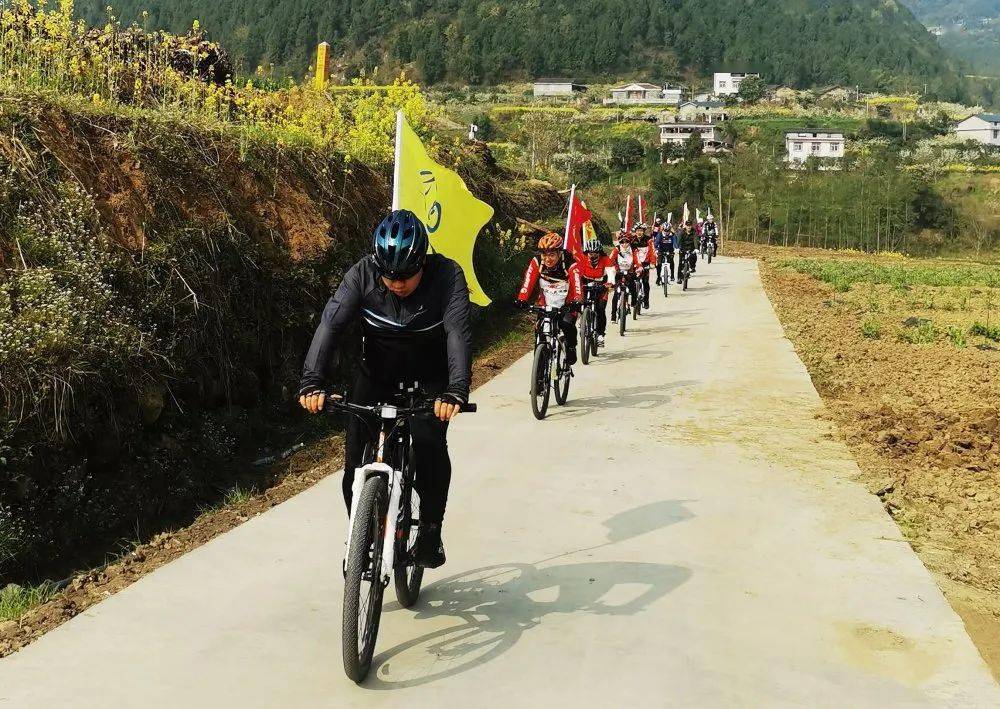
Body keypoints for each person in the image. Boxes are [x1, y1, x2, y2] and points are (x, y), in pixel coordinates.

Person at [298, 209, 472, 570]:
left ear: (423, 260)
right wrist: (312, 381)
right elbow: (329, 326)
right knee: (352, 465)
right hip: (375, 373)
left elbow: (457, 332)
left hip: (430, 376)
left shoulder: (447, 276)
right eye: (388, 275)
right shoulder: (361, 275)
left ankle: (429, 529)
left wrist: (455, 389)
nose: (397, 283)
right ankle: (362, 533)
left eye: (406, 275)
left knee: (428, 446)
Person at [517, 232, 582, 365]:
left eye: (551, 254)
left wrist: (577, 300)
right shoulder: (537, 261)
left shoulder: (570, 262)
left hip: (567, 304)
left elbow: (577, 284)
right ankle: (540, 366)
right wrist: (522, 299)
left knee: (566, 324)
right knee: (540, 330)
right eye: (544, 254)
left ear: (559, 253)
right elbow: (528, 282)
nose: (547, 259)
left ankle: (571, 347)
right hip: (545, 303)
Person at [575, 238, 615, 347]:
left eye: (595, 253)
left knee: (600, 309)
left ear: (599, 252)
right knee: (578, 302)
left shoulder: (605, 258)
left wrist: (609, 283)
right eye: (590, 253)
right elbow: (576, 272)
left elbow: (611, 272)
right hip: (585, 283)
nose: (592, 255)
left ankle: (600, 334)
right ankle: (583, 321)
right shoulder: (582, 258)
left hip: (601, 285)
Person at [609, 231, 640, 320]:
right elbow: (610, 260)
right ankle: (613, 316)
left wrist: (639, 267)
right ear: (619, 242)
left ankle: (634, 303)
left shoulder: (633, 250)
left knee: (633, 287)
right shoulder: (616, 249)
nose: (624, 244)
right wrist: (614, 269)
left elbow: (637, 260)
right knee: (615, 294)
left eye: (626, 242)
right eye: (622, 242)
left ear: (629, 242)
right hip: (618, 272)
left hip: (629, 272)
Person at [632, 223, 656, 308]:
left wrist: (652, 263)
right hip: (634, 264)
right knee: (632, 282)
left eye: (641, 231)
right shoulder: (632, 240)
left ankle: (646, 300)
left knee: (645, 282)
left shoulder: (649, 240)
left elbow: (653, 252)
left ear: (644, 231)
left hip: (646, 263)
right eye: (638, 231)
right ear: (635, 232)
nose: (639, 232)